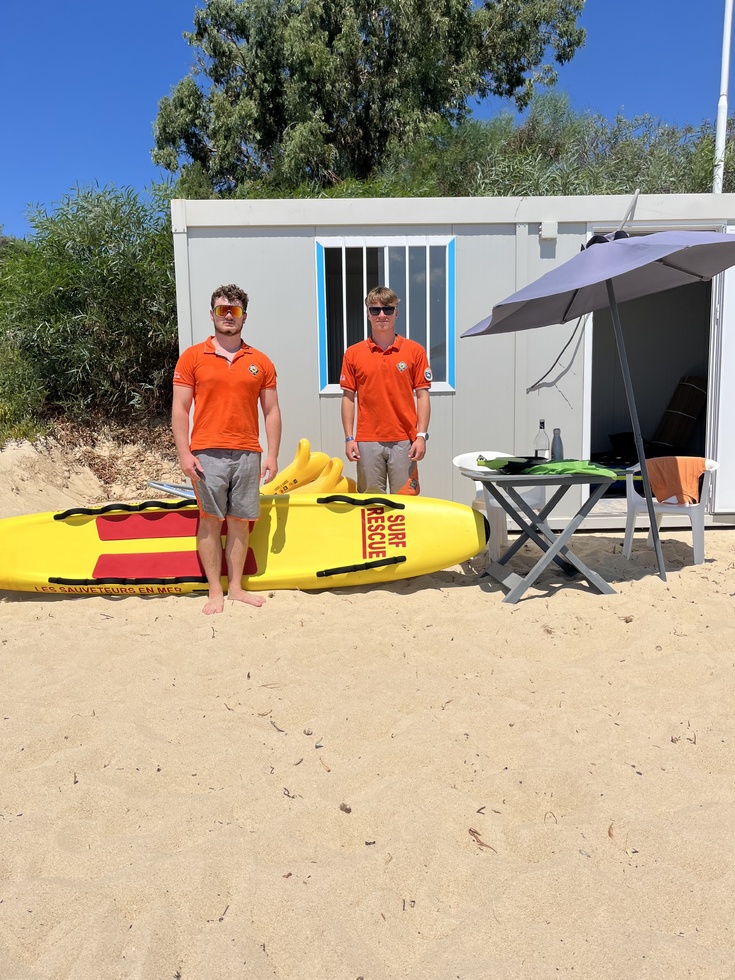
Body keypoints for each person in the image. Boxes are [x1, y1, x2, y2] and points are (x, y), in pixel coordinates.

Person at [172, 285, 281, 615]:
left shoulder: (260, 361)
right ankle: (214, 591)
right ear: (212, 315)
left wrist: (272, 455)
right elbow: (180, 409)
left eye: (234, 311)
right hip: (206, 453)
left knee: (239, 523)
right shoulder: (192, 357)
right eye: (222, 310)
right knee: (209, 522)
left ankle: (235, 588)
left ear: (244, 316)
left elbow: (272, 411)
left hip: (249, 452)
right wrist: (184, 453)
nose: (228, 317)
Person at [340, 286, 431, 494]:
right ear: (368, 314)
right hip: (367, 440)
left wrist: (421, 435)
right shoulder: (353, 354)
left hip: (404, 440)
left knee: (407, 504)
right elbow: (348, 398)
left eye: (387, 310)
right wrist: (349, 438)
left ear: (396, 313)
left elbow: (422, 395)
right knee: (371, 506)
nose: (382, 315)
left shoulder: (415, 351)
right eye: (375, 310)